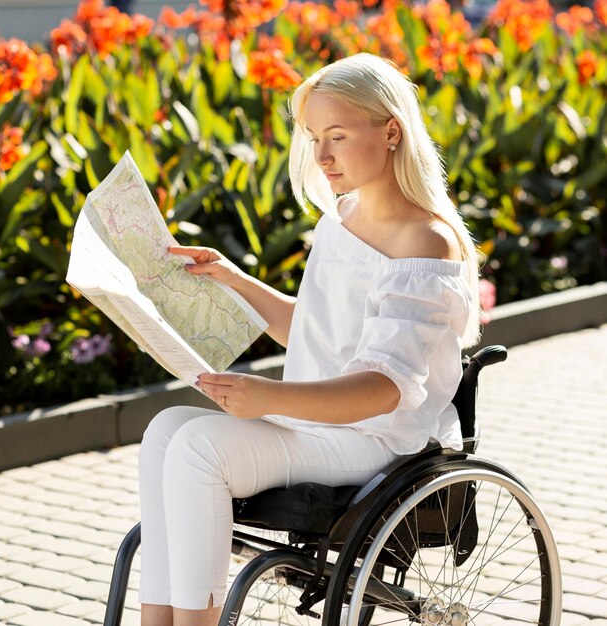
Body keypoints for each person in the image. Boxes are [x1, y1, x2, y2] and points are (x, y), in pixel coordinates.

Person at [138, 52, 481, 626]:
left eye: (339, 136)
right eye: (315, 136)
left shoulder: (426, 242)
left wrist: (267, 397)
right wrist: (230, 276)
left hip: (375, 439)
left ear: (391, 131)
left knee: (200, 447)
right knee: (166, 430)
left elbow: (383, 388)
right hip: (318, 425)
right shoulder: (341, 216)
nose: (322, 156)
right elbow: (313, 328)